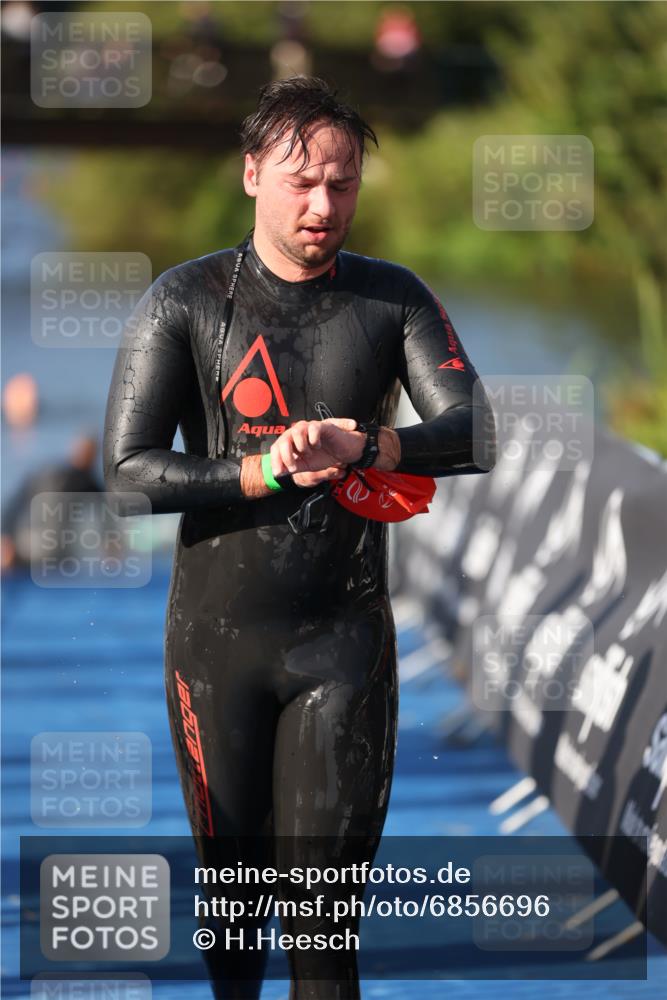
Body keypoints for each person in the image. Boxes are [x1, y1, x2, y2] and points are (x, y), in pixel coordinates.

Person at [103, 76, 495, 999]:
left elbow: (475, 433)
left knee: (323, 931)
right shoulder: (185, 299)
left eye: (342, 184)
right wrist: (263, 470)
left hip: (343, 650)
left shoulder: (392, 300)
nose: (323, 207)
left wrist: (374, 441)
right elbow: (125, 475)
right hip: (216, 650)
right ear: (251, 176)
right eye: (300, 182)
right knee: (235, 936)